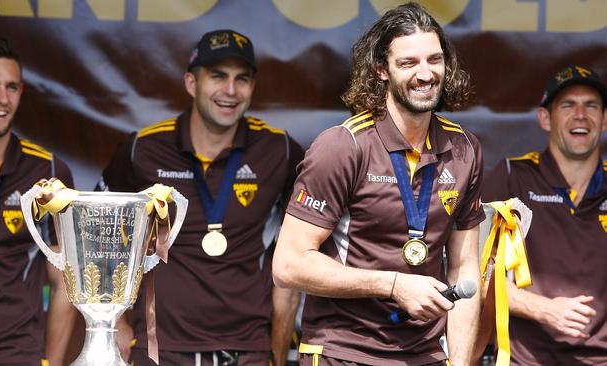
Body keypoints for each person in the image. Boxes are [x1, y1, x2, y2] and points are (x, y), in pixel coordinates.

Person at [272, 3, 484, 365]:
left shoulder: (464, 148)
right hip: (342, 352)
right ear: (381, 70)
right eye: (408, 63)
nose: (425, 73)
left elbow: (464, 268)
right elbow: (288, 264)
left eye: (435, 60)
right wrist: (393, 284)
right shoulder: (343, 146)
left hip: (426, 354)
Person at [97, 29, 304, 366]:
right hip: (158, 346)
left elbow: (303, 247)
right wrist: (116, 323)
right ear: (191, 83)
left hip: (247, 348)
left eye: (243, 79)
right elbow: (99, 236)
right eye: (218, 76)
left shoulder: (278, 150)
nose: (231, 91)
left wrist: (278, 352)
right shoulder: (142, 150)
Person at [0, 34, 75, 365]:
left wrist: (50, 363)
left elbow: (64, 281)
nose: (2, 99)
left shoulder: (48, 173)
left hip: (15, 356)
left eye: (12, 87)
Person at [482, 64, 607, 365]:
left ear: (605, 120)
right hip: (527, 360)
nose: (580, 115)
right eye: (568, 105)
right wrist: (543, 309)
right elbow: (475, 274)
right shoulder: (512, 176)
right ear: (545, 118)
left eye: (591, 105)